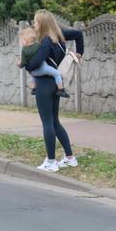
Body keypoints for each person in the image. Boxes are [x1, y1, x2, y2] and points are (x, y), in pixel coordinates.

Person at [25, 10, 84, 172]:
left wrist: (25, 63)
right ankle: (70, 158)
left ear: (43, 24)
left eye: (36, 22)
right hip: (55, 84)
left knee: (48, 123)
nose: (34, 25)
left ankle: (51, 161)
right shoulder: (59, 37)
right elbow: (79, 34)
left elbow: (35, 63)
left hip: (44, 84)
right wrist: (80, 53)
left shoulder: (45, 42)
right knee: (55, 121)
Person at [16, 26, 70, 98]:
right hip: (43, 69)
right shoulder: (38, 45)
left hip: (34, 73)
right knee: (57, 74)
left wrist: (18, 63)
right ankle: (61, 90)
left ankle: (33, 89)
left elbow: (23, 63)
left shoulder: (24, 50)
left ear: (25, 40)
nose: (20, 42)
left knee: (31, 76)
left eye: (21, 40)